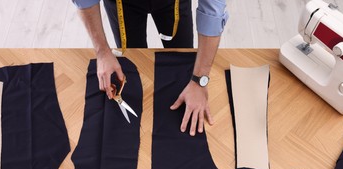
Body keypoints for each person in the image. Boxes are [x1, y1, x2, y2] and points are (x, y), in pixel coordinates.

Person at [73, 0, 228, 136]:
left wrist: (199, 81)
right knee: (132, 67)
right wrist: (102, 52)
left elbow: (212, 10)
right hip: (123, 3)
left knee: (182, 65)